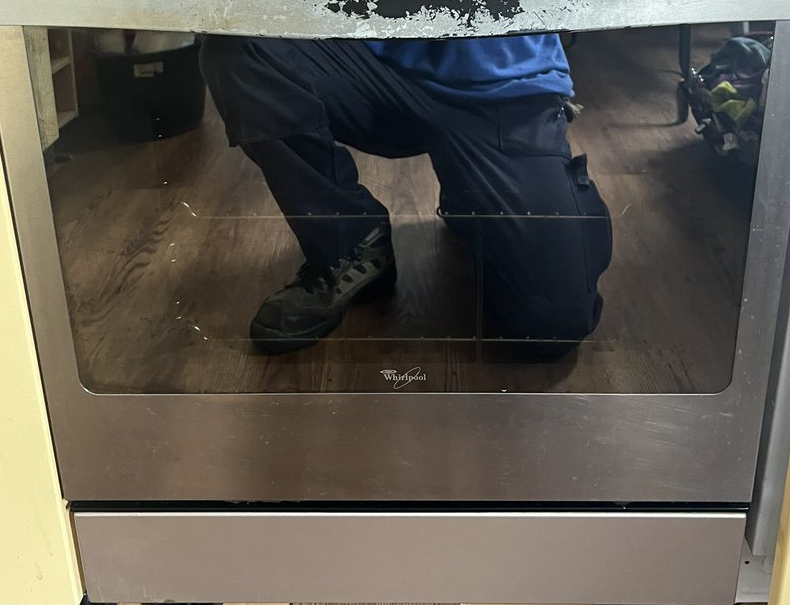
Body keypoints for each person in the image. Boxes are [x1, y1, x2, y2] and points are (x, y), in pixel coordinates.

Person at [200, 33, 612, 360]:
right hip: (378, 62)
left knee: (551, 325)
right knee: (241, 50)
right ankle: (349, 246)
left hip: (504, 87)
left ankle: (483, 200)